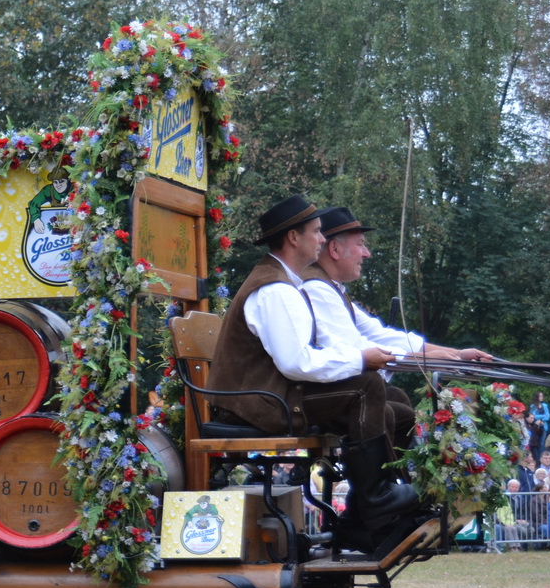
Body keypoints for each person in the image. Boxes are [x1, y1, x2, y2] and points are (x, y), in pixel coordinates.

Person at [209, 195, 420, 553]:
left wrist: (362, 359)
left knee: (394, 401)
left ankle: (360, 519)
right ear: (294, 238)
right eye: (317, 232)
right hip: (256, 405)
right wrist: (361, 361)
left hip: (270, 396)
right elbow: (297, 363)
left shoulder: (285, 283)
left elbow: (304, 360)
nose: (322, 240)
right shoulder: (275, 289)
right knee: (367, 387)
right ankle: (376, 502)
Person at [301, 207, 494, 447]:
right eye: (361, 244)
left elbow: (379, 334)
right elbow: (355, 349)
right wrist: (425, 357)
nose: (367, 253)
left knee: (397, 401)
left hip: (332, 391)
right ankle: (377, 484)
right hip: (309, 396)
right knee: (395, 413)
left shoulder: (331, 289)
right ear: (335, 249)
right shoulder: (316, 289)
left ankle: (390, 479)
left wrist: (455, 355)